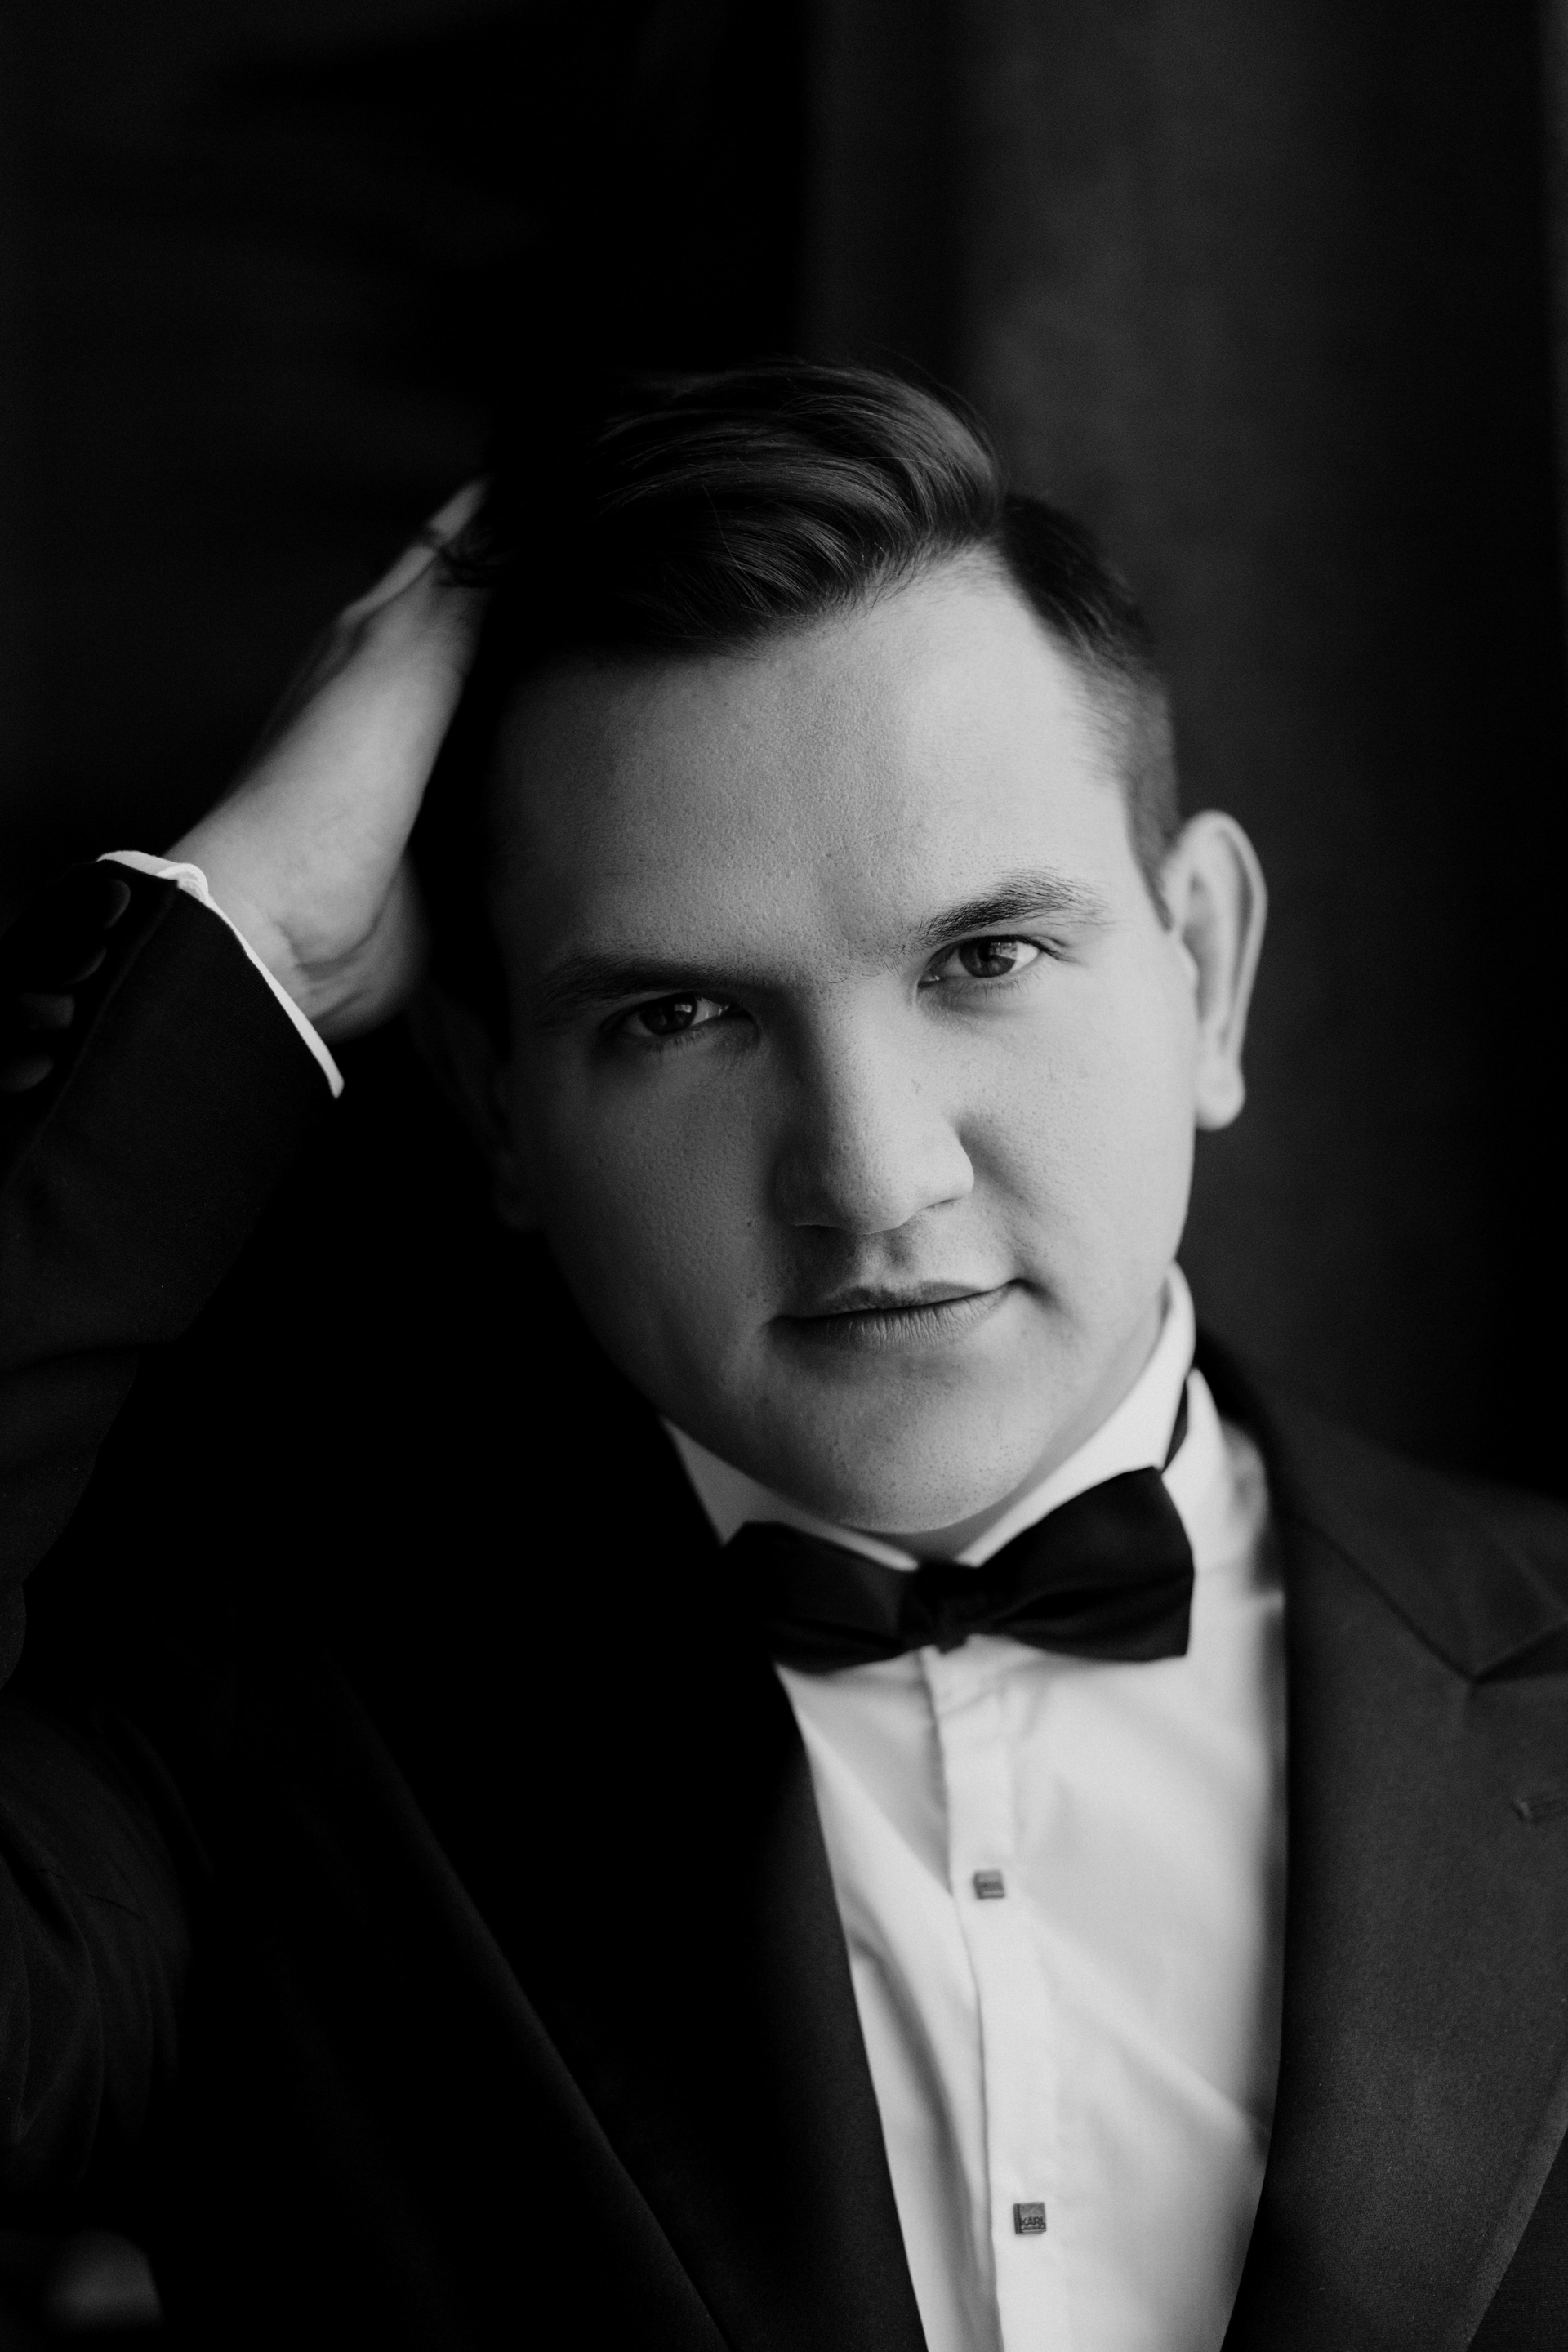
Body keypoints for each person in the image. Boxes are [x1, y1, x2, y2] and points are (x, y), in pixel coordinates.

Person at [2, 362, 1566, 2352]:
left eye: (985, 958)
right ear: (496, 1109)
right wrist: (243, 952)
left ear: (1212, 967)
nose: (871, 1178)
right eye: (680, 1018)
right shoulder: (250, 1747)